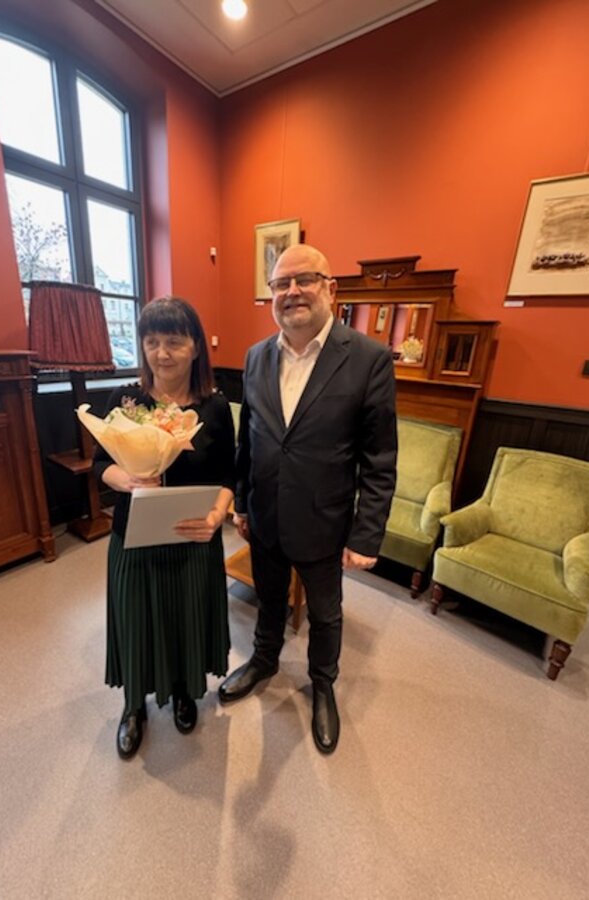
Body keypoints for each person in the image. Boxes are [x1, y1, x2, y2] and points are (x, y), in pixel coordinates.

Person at [218, 244, 397, 755]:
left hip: (324, 521)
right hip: (266, 515)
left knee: (325, 613)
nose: (292, 291)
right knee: (269, 599)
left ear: (330, 289)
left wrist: (366, 535)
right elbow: (249, 440)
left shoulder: (368, 359)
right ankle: (263, 661)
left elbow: (379, 459)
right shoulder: (256, 356)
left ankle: (322, 685)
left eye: (305, 279)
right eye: (281, 283)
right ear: (271, 294)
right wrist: (243, 503)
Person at [94, 296, 236, 759]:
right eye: (152, 341)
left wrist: (217, 517)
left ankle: (182, 690)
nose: (162, 353)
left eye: (174, 341)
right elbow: (100, 465)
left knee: (184, 619)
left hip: (193, 535)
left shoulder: (215, 408)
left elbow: (230, 476)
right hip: (134, 537)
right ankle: (133, 704)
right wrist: (127, 479)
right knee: (136, 620)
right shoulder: (125, 401)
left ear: (195, 347)